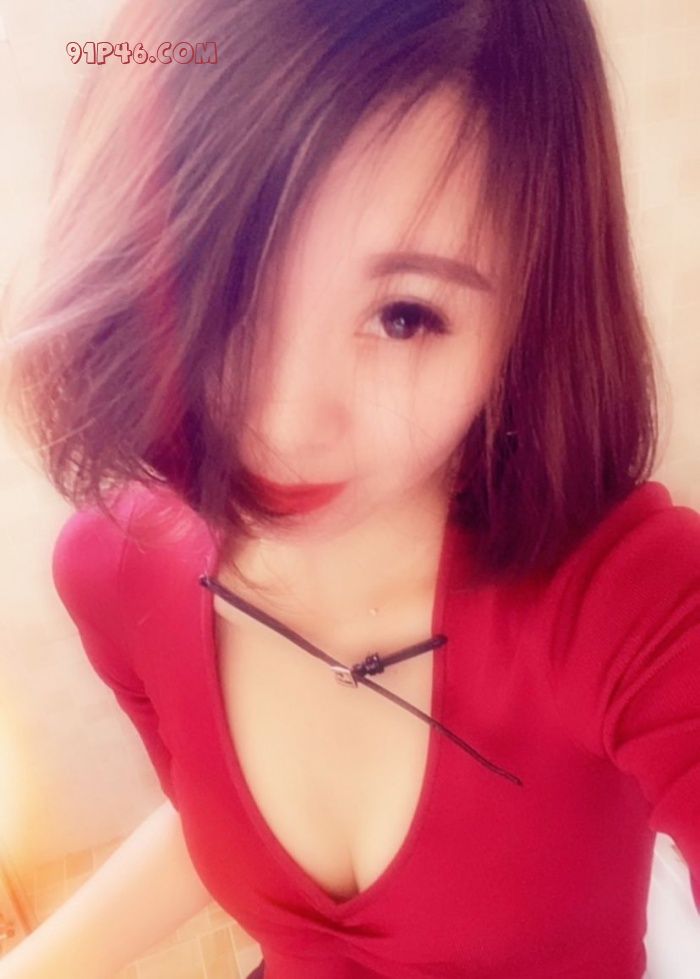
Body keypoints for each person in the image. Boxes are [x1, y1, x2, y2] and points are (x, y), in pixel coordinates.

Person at [1, 1, 698, 977]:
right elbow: (211, 821)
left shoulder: (634, 602)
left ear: (529, 317)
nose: (287, 421)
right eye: (231, 285)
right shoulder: (110, 570)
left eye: (405, 315)